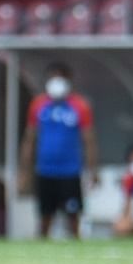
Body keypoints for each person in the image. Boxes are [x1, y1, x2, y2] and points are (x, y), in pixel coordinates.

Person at [21, 63, 98, 239]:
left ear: (69, 81)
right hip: (45, 169)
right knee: (44, 217)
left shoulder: (80, 106)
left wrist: (93, 169)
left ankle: (77, 255)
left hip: (70, 170)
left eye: (61, 78)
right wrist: (25, 170)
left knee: (73, 216)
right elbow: (29, 139)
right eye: (53, 77)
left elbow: (89, 140)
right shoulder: (38, 105)